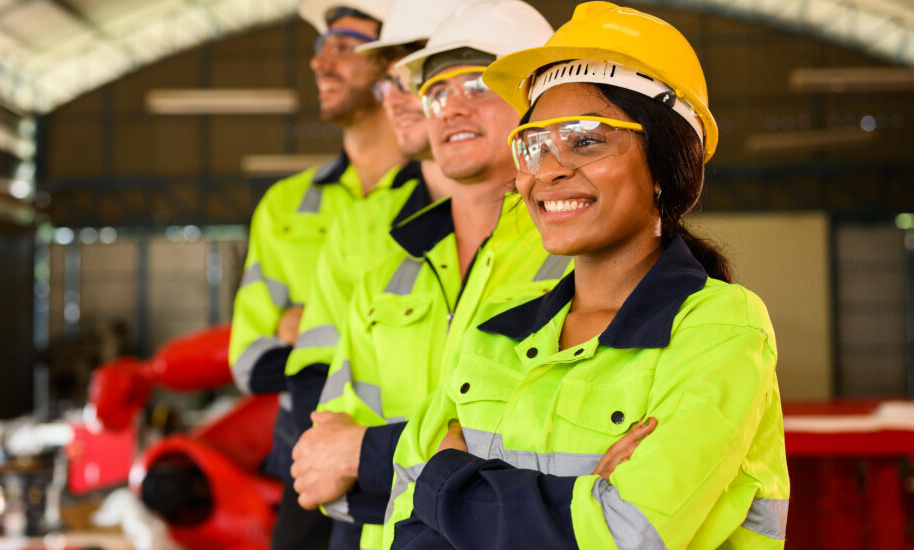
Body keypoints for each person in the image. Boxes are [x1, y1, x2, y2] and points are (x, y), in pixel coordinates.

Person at [383, 3, 790, 549]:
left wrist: (451, 485)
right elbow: (403, 527)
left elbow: (627, 535)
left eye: (586, 140)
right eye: (534, 145)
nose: (549, 170)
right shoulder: (493, 336)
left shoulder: (719, 330)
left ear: (665, 164)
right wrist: (582, 497)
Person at [287, 2, 570, 548]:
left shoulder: (575, 258)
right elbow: (325, 467)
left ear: (538, 105)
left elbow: (560, 456)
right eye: (436, 92)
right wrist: (440, 468)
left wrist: (368, 456)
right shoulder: (390, 274)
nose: (452, 107)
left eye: (479, 86)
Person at [227, 1, 405, 548]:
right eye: (320, 48)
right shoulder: (285, 206)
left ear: (397, 61)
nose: (320, 63)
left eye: (345, 47)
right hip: (304, 458)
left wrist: (309, 328)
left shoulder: (448, 199)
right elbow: (251, 360)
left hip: (404, 456)